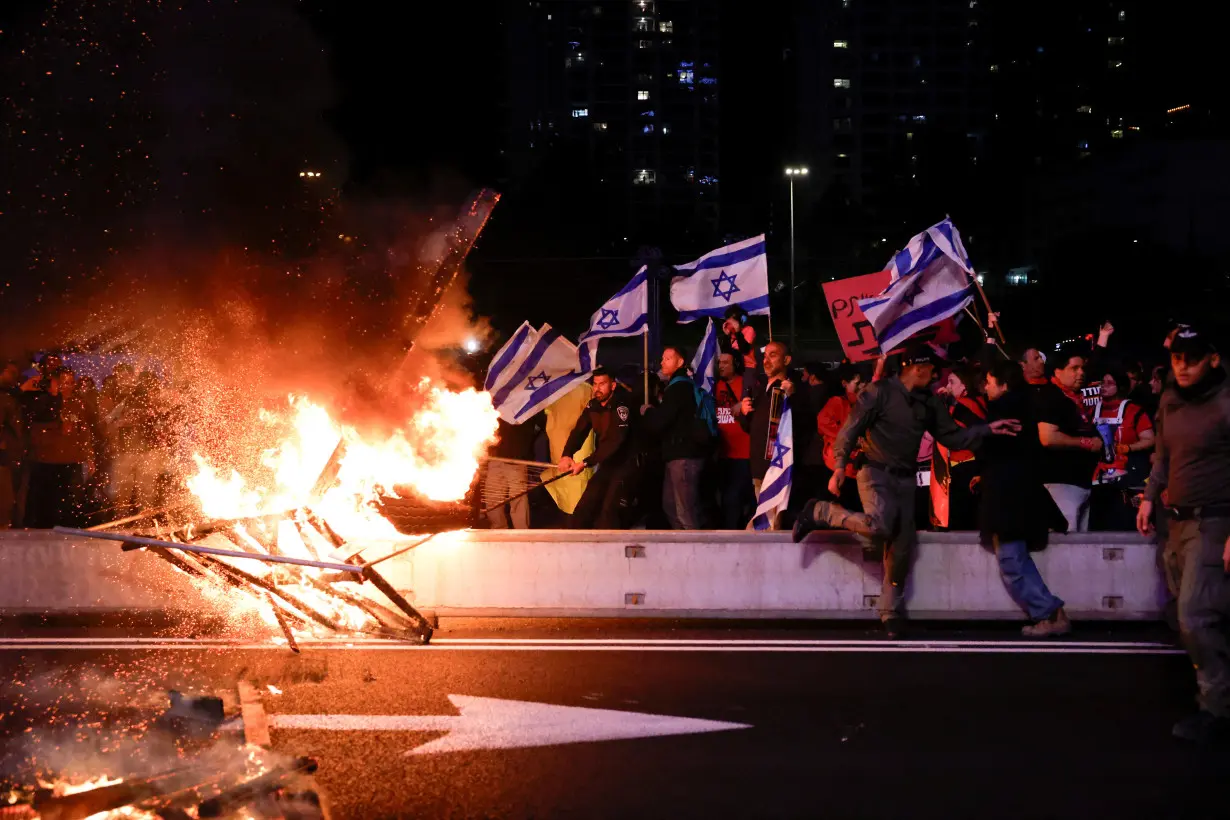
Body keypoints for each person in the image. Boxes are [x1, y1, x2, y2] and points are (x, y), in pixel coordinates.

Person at [792, 344, 1022, 636]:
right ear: (915, 367)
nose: (938, 374)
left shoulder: (929, 402)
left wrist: (988, 429)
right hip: (873, 471)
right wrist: (839, 468)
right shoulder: (879, 392)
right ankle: (821, 510)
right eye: (933, 368)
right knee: (879, 525)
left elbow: (952, 436)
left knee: (901, 546)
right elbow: (849, 429)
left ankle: (890, 613)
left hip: (905, 478)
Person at [1137, 327, 1230, 742]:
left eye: (1192, 357)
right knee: (1188, 614)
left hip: (1216, 521)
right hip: (1174, 520)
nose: (1183, 365)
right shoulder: (1172, 398)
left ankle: (1218, 710)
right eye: (1177, 357)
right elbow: (1162, 452)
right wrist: (1148, 497)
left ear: (1213, 358)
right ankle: (1214, 693)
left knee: (1195, 615)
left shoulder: (1226, 402)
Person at [981, 360, 1070, 636]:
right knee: (1014, 557)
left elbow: (992, 453)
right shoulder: (1025, 407)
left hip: (1008, 497)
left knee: (1012, 560)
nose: (985, 387)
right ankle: (1049, 613)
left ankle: (1050, 613)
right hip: (1018, 494)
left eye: (989, 381)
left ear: (1003, 385)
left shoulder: (1004, 413)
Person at [1034, 343, 1103, 533]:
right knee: (1066, 543)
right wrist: (1085, 443)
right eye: (1074, 368)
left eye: (1082, 368)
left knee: (1080, 548)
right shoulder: (1051, 397)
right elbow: (1047, 437)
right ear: (1057, 371)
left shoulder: (1073, 398)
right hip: (1060, 484)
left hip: (1079, 483)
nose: (1081, 373)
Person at [560, 368, 639, 529]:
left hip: (626, 465)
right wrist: (567, 454)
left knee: (609, 513)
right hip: (606, 465)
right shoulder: (593, 406)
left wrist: (586, 462)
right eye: (595, 384)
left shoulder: (621, 406)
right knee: (584, 509)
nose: (597, 388)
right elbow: (579, 431)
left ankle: (612, 551)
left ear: (613, 385)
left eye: (602, 384)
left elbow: (615, 441)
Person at [642, 346, 709, 529]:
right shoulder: (683, 386)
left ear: (680, 362)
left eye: (668, 359)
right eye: (662, 358)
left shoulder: (678, 387)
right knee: (672, 506)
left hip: (684, 458)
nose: (662, 362)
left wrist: (648, 412)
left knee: (684, 511)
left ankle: (696, 552)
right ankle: (685, 550)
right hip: (679, 456)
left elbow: (661, 421)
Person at [738, 341, 800, 529]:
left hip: (776, 470)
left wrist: (793, 397)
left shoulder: (789, 389)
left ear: (786, 360)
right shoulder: (760, 391)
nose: (766, 360)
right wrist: (743, 413)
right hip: (758, 467)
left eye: (773, 355)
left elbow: (797, 424)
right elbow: (752, 428)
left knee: (771, 527)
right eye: (765, 356)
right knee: (765, 526)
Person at [1090, 366, 1154, 530]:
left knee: (1125, 524)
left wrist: (1127, 448)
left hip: (1128, 479)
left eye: (1109, 383)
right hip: (1098, 480)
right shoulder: (1092, 410)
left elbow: (1149, 439)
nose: (1104, 386)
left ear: (1121, 386)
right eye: (1102, 383)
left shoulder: (1133, 410)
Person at [936, 366, 987, 530]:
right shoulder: (978, 402)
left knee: (960, 520)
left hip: (965, 467)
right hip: (972, 466)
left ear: (964, 385)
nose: (948, 386)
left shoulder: (964, 405)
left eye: (952, 382)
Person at [713, 352, 754, 529]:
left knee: (734, 498)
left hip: (743, 453)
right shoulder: (714, 385)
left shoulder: (746, 384)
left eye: (726, 362)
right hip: (722, 452)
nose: (721, 366)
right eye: (719, 362)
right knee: (724, 497)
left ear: (736, 364)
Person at [815, 364, 865, 512]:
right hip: (838, 465)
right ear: (844, 383)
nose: (861, 386)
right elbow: (822, 423)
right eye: (857, 383)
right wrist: (850, 438)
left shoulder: (866, 403)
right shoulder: (838, 402)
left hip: (857, 467)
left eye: (863, 383)